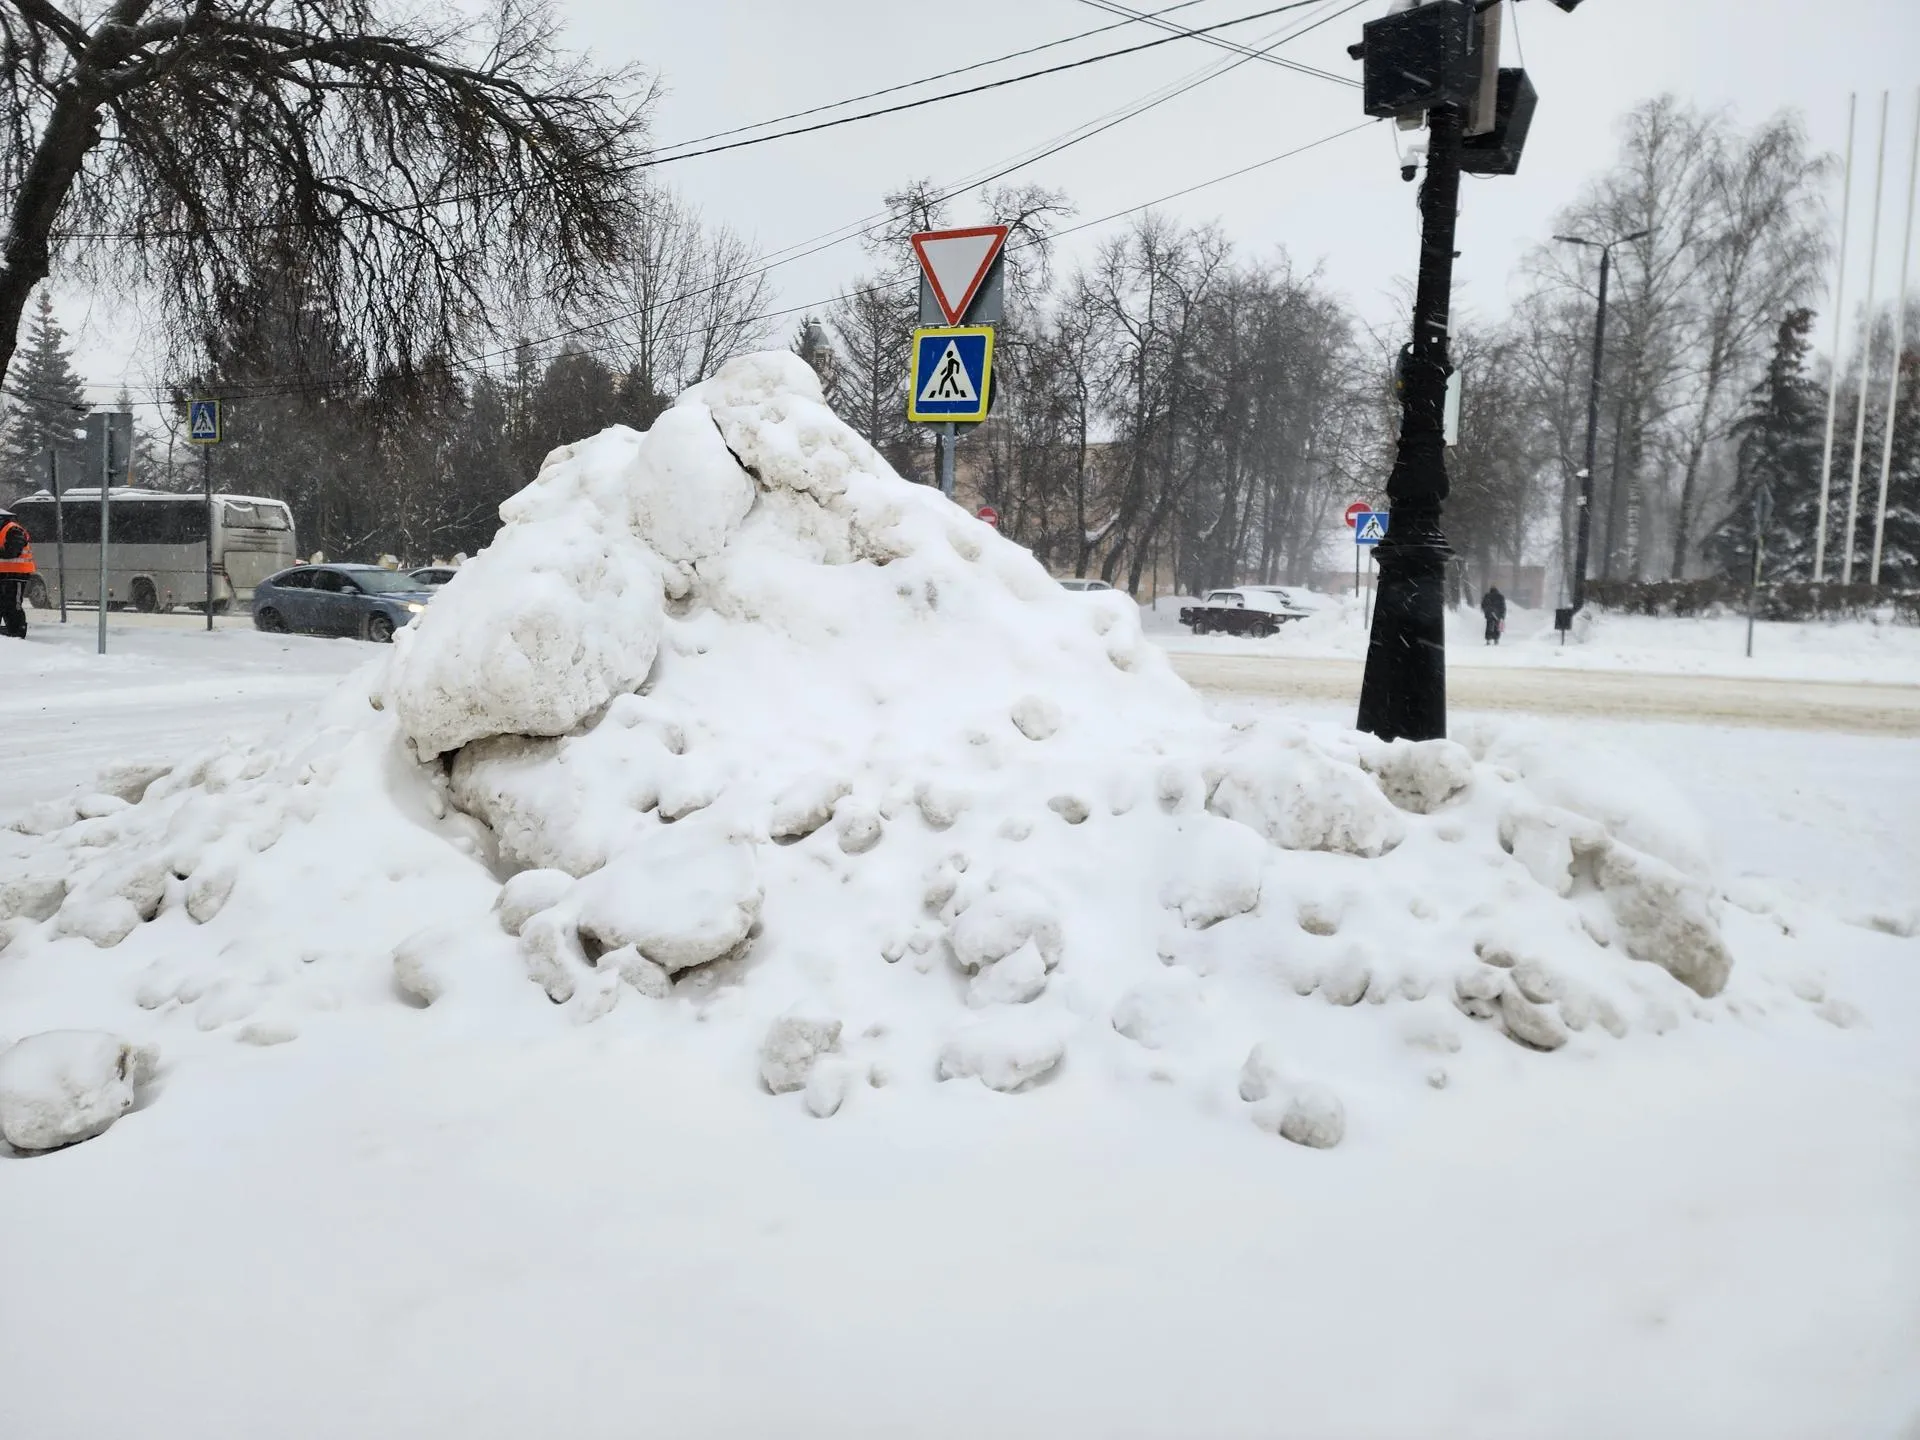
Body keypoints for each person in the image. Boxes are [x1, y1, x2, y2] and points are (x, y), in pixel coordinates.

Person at [0, 506, 35, 639]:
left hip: (16, 574)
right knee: (4, 604)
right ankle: (11, 633)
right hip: (4, 574)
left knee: (12, 605)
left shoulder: (13, 529)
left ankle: (16, 633)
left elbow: (13, 551)